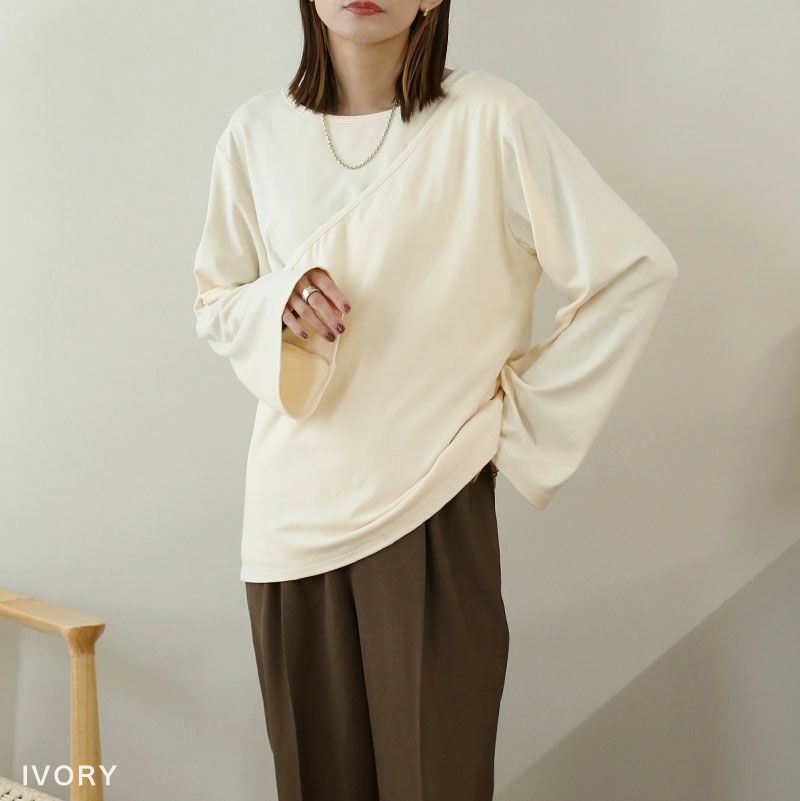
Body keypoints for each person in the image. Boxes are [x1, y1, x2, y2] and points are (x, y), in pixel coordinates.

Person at [191, 1, 679, 799]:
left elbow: (633, 270)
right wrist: (279, 297)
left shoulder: (491, 118)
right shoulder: (255, 133)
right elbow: (217, 300)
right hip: (289, 522)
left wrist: (513, 425)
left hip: (431, 507)